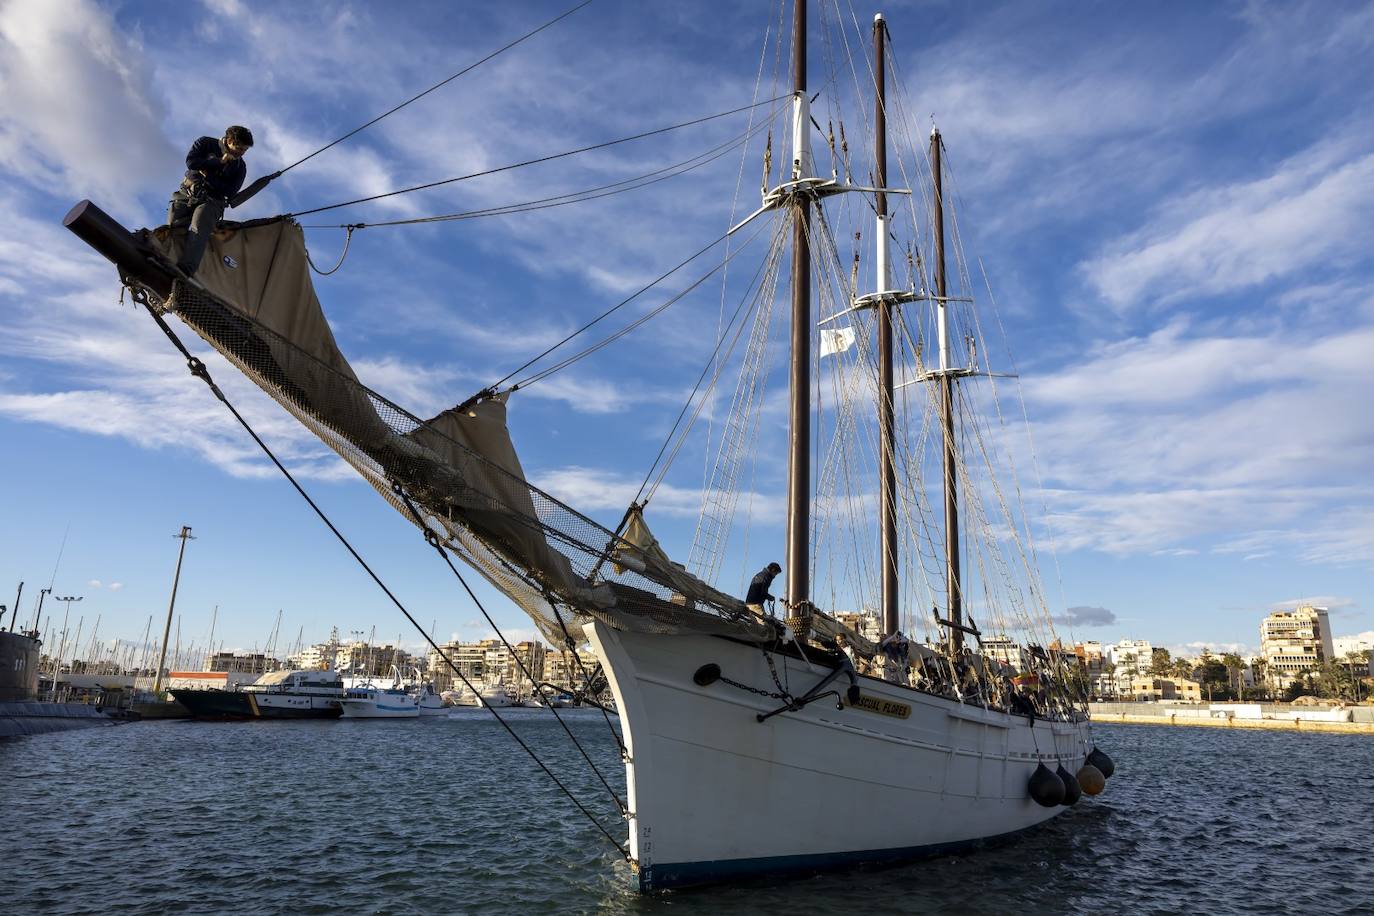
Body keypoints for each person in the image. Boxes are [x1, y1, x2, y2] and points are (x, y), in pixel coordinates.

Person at [166, 125, 279, 276]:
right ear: (229, 140)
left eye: (244, 150)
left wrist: (208, 175)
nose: (241, 153)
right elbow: (192, 163)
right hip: (187, 193)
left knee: (198, 228)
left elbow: (229, 192)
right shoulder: (206, 143)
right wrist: (218, 162)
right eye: (239, 148)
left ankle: (185, 270)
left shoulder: (240, 167)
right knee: (173, 227)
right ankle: (166, 258)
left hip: (212, 202)